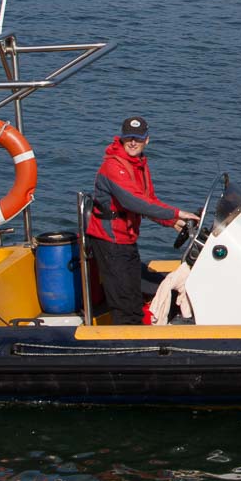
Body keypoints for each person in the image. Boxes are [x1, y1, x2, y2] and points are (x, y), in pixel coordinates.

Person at [85, 116, 197, 325]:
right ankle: (127, 346)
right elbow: (134, 202)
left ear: (147, 140)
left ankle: (143, 330)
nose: (133, 143)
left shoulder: (139, 165)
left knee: (134, 296)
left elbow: (149, 201)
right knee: (124, 302)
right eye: (129, 138)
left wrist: (172, 222)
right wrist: (176, 213)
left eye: (138, 138)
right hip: (110, 243)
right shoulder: (113, 167)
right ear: (121, 138)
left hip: (126, 240)